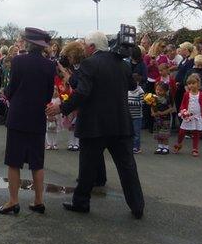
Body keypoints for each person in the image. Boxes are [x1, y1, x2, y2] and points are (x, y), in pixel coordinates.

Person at [46, 31, 145, 219]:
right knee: (127, 168)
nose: (83, 48)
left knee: (87, 167)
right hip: (120, 124)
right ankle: (137, 206)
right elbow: (132, 86)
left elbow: (82, 93)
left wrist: (62, 108)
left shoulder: (89, 64)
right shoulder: (122, 65)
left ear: (91, 47)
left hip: (95, 125)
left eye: (85, 45)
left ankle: (81, 202)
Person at [0, 27, 56, 215]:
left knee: (14, 161)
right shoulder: (49, 65)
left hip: (18, 116)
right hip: (38, 116)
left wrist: (6, 93)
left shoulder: (18, 61)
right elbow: (48, 94)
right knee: (37, 162)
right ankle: (38, 201)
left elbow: (11, 89)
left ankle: (13, 201)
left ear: (28, 44)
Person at [174, 74, 202, 157]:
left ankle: (195, 148)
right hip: (187, 117)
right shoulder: (186, 94)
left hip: (197, 117)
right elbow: (183, 104)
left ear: (198, 84)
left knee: (196, 133)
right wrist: (183, 111)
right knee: (182, 131)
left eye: (193, 83)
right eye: (189, 84)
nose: (191, 85)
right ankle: (179, 144)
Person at [151, 82, 175, 155]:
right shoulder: (154, 98)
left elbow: (171, 108)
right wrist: (153, 112)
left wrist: (163, 113)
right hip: (157, 118)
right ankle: (160, 146)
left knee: (164, 133)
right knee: (158, 133)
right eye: (157, 89)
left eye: (160, 90)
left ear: (165, 91)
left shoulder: (167, 99)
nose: (158, 91)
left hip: (165, 118)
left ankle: (166, 147)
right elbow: (152, 106)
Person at [128, 74, 145, 154]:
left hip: (137, 116)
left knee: (136, 133)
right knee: (128, 132)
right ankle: (130, 146)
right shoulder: (127, 90)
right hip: (128, 115)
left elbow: (142, 103)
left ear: (138, 82)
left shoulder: (141, 91)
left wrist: (130, 102)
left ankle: (136, 147)